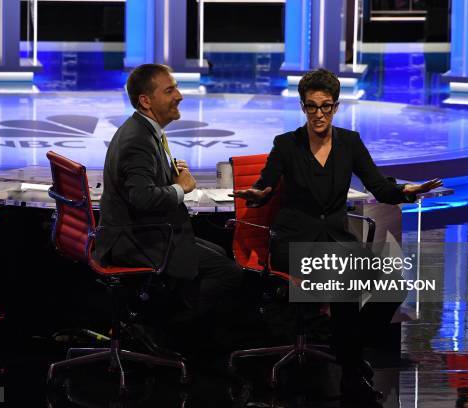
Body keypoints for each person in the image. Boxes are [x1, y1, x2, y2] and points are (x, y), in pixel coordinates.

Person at [232, 68, 442, 401]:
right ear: (303, 107)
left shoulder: (350, 142)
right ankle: (350, 366)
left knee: (395, 283)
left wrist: (407, 191)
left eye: (325, 106)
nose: (319, 114)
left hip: (337, 240)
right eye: (312, 106)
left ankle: (349, 347)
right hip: (294, 243)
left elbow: (378, 186)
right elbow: (267, 183)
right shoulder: (287, 144)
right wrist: (259, 193)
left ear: (336, 106)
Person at [94, 63, 243, 352]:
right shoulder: (138, 140)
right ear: (146, 101)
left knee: (220, 253)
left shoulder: (145, 130)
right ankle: (163, 328)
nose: (180, 95)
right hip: (136, 239)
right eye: (170, 90)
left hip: (140, 231)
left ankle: (166, 321)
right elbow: (142, 198)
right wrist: (181, 188)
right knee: (230, 273)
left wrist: (169, 174)